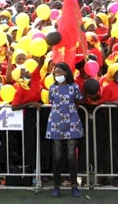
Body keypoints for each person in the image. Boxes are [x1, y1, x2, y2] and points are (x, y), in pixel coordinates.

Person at [46, 62, 83, 197]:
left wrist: (71, 112)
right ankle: (56, 186)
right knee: (57, 156)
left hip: (72, 123)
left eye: (60, 72)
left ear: (66, 73)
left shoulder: (74, 87)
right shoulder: (52, 88)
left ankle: (74, 185)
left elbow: (78, 101)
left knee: (72, 156)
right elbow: (51, 102)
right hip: (55, 123)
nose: (58, 75)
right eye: (56, 73)